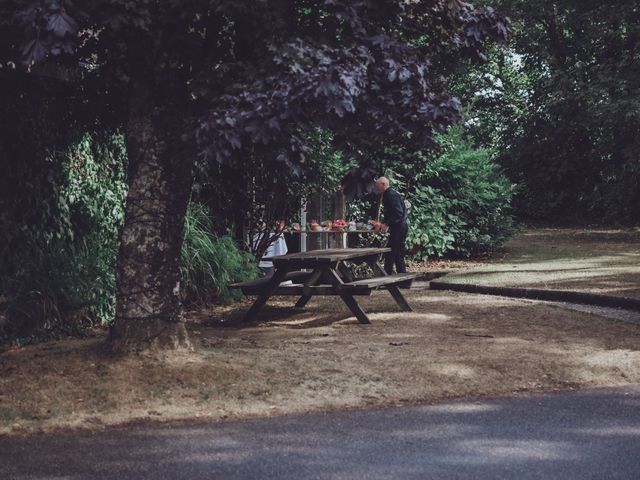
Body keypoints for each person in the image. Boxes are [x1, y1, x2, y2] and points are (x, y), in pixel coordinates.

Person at [374, 176, 408, 274]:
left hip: (399, 227)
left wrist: (387, 224)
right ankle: (404, 281)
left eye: (378, 185)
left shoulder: (390, 194)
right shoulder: (390, 193)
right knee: (398, 254)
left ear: (383, 184)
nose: (377, 188)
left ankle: (386, 278)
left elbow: (398, 212)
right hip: (401, 225)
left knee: (391, 253)